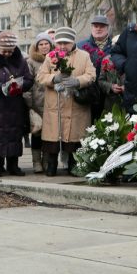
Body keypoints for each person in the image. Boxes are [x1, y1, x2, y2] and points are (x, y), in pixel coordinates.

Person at [36, 26, 96, 176]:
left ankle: (73, 164)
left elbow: (91, 75)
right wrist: (53, 79)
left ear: (73, 42)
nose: (62, 46)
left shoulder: (84, 56)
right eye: (59, 43)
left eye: (66, 43)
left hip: (75, 104)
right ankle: (51, 164)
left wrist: (77, 81)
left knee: (74, 138)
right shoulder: (51, 56)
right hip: (55, 103)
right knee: (53, 138)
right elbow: (40, 76)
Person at [0, 31, 33, 178]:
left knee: (14, 136)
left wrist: (20, 85)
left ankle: (13, 165)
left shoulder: (20, 60)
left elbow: (29, 79)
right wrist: (2, 87)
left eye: (10, 51)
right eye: (4, 51)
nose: (8, 54)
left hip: (14, 106)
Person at [78, 14, 124, 119]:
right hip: (88, 93)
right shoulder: (81, 46)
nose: (98, 29)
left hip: (110, 94)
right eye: (96, 26)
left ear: (108, 29)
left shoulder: (115, 46)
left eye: (102, 26)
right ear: (91, 28)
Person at [23, 32, 52, 173]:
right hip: (36, 103)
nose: (44, 46)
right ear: (36, 46)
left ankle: (46, 161)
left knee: (49, 135)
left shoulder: (55, 59)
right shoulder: (31, 62)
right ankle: (36, 162)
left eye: (46, 43)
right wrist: (29, 105)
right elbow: (27, 85)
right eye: (41, 44)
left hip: (52, 104)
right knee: (36, 134)